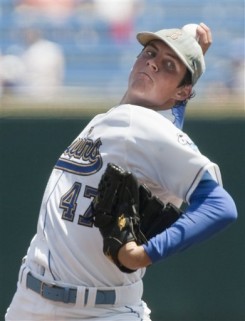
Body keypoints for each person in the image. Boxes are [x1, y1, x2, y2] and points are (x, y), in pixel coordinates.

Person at [5, 22, 237, 321]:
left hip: (102, 311)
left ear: (184, 90)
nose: (152, 62)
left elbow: (221, 206)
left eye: (168, 65)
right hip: (30, 302)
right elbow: (166, 122)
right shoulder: (129, 120)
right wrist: (187, 64)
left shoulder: (139, 124)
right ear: (135, 60)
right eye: (149, 53)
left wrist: (145, 253)